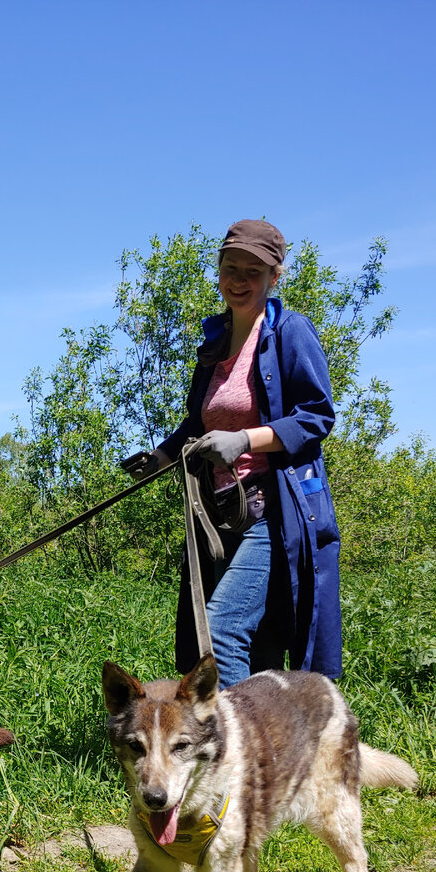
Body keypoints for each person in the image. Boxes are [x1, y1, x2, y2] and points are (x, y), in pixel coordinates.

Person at [123, 219, 341, 688]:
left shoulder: (289, 333)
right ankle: (277, 754)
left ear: (274, 277)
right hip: (220, 517)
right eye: (230, 268)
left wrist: (245, 440)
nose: (239, 280)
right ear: (218, 270)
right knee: (255, 645)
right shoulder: (216, 343)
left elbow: (317, 416)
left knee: (219, 633)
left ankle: (234, 755)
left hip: (272, 512)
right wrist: (160, 458)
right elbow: (199, 424)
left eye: (253, 272)